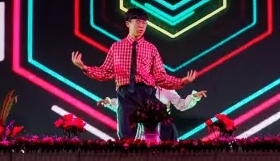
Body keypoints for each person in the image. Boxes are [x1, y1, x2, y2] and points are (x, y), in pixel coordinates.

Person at [71, 8, 197, 139]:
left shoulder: (151, 48)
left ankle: (169, 151)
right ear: (128, 23)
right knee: (126, 133)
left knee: (167, 126)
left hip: (147, 93)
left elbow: (160, 76)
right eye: (137, 22)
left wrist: (182, 81)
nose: (141, 26)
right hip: (125, 94)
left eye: (144, 23)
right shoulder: (116, 47)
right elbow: (105, 72)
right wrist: (84, 67)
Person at [99, 88, 206, 140]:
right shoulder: (141, 88)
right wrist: (110, 102)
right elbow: (127, 104)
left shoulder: (167, 89)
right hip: (144, 129)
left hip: (165, 129)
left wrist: (194, 97)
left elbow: (181, 105)